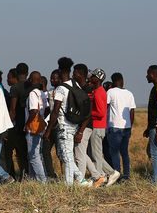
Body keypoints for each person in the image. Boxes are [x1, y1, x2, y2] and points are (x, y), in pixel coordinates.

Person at [45, 57, 90, 186]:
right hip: (74, 125)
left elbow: (55, 112)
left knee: (68, 156)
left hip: (64, 126)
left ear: (59, 70)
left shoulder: (60, 89)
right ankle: (81, 180)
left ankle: (70, 184)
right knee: (66, 155)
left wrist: (48, 130)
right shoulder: (75, 85)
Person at [88, 68, 120, 186]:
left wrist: (88, 114)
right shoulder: (98, 91)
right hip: (97, 127)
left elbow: (101, 113)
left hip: (97, 127)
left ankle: (98, 179)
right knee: (95, 154)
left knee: (96, 156)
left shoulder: (99, 92)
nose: (90, 78)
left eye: (92, 76)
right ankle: (111, 172)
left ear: (98, 79)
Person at [24, 70, 49, 182]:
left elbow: (33, 110)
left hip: (33, 127)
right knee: (36, 153)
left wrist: (27, 124)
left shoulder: (32, 93)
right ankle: (32, 178)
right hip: (40, 126)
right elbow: (47, 108)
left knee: (34, 156)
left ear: (30, 80)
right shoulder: (42, 93)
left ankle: (42, 180)